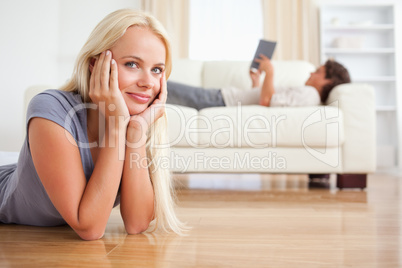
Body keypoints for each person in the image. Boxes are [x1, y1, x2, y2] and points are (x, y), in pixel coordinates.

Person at [0, 9, 185, 240]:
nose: (148, 83)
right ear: (96, 65)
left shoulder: (139, 122)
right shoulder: (50, 109)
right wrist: (117, 126)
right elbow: (89, 227)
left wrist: (136, 132)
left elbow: (137, 223)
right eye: (132, 64)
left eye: (156, 69)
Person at [166, 55, 351, 110]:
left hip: (220, 100)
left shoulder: (310, 94)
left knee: (165, 87)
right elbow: (264, 98)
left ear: (328, 81)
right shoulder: (307, 94)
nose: (312, 72)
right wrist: (256, 82)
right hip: (222, 97)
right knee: (166, 90)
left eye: (318, 72)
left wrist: (270, 72)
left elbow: (266, 102)